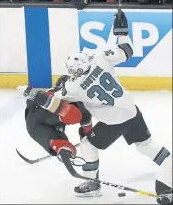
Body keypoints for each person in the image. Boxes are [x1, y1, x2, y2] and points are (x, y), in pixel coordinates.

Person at [23, 11, 172, 204]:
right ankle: (168, 167)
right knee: (145, 145)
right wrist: (121, 30)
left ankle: (92, 184)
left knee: (87, 145)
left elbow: (52, 101)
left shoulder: (73, 87)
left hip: (114, 123)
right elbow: (127, 49)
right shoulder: (102, 59)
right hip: (132, 111)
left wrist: (33, 95)